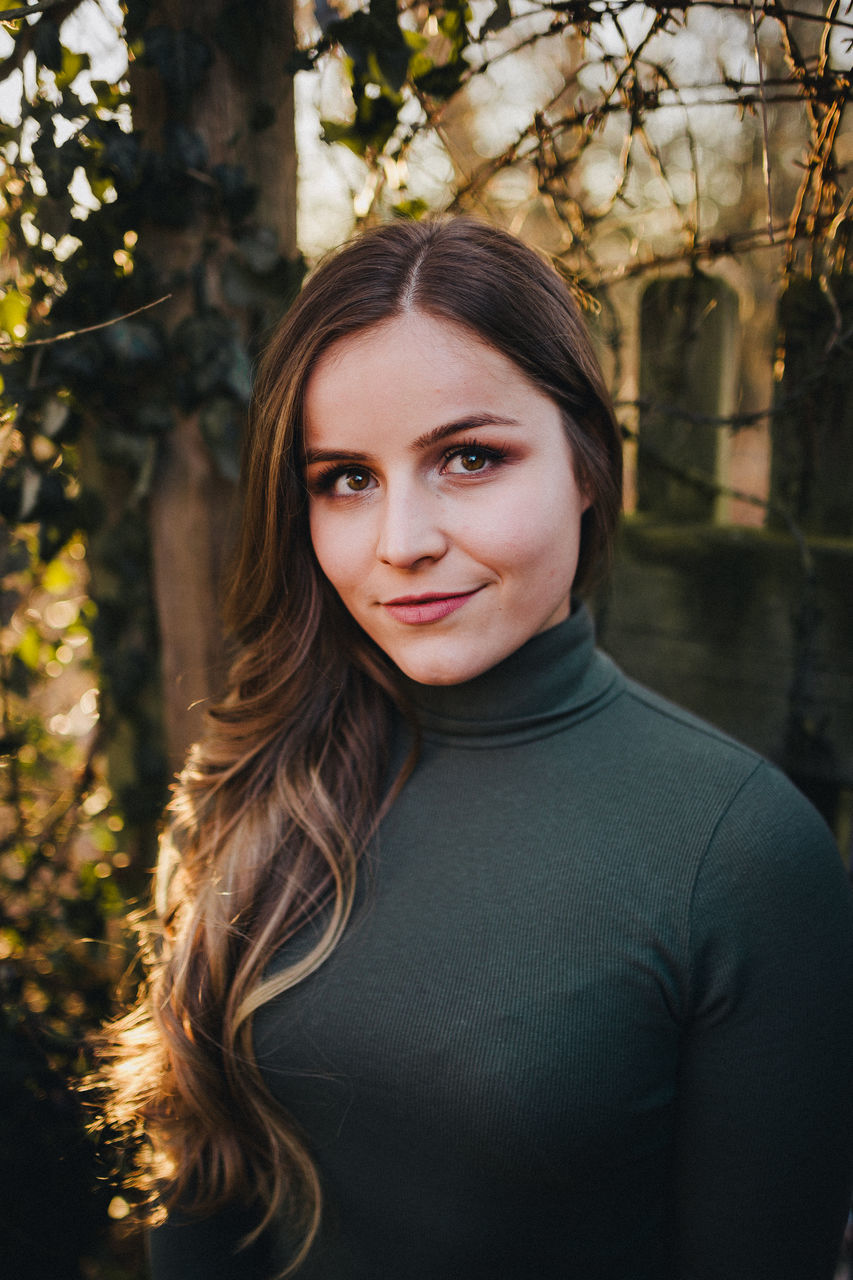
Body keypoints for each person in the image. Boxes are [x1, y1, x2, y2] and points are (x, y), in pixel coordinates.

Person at [100, 217, 853, 1280]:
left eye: (469, 457)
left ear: (588, 465)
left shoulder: (740, 857)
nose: (401, 540)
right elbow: (205, 1205)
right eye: (345, 478)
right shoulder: (274, 767)